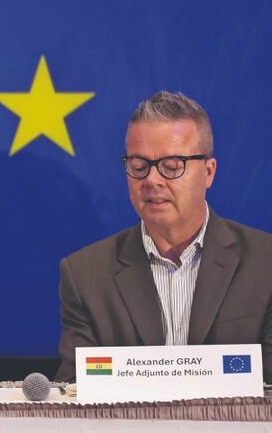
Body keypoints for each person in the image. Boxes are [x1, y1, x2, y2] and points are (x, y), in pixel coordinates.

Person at [56, 91, 272, 382]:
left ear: (208, 172)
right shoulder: (84, 275)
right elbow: (74, 392)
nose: (151, 180)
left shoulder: (265, 264)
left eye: (171, 166)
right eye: (138, 166)